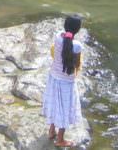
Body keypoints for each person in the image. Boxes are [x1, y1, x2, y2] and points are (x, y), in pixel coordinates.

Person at [42, 16, 84, 148]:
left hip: (53, 78)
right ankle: (60, 140)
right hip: (67, 82)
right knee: (65, 109)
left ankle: (51, 131)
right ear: (78, 30)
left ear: (65, 26)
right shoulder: (77, 46)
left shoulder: (57, 37)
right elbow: (77, 64)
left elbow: (59, 42)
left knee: (55, 104)